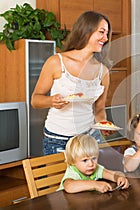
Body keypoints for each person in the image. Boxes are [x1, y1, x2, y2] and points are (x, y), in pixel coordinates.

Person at [31, 11, 113, 155]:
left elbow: (99, 109)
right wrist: (51, 101)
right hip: (57, 139)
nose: (105, 38)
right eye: (101, 32)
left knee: (91, 178)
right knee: (59, 178)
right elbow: (35, 100)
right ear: (86, 30)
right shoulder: (56, 62)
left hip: (89, 138)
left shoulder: (103, 71)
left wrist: (103, 124)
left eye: (107, 34)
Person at [58, 134, 130, 193]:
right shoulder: (73, 171)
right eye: (85, 160)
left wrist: (120, 178)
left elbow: (112, 174)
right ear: (73, 161)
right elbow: (69, 186)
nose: (91, 164)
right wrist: (95, 184)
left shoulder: (96, 168)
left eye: (94, 158)